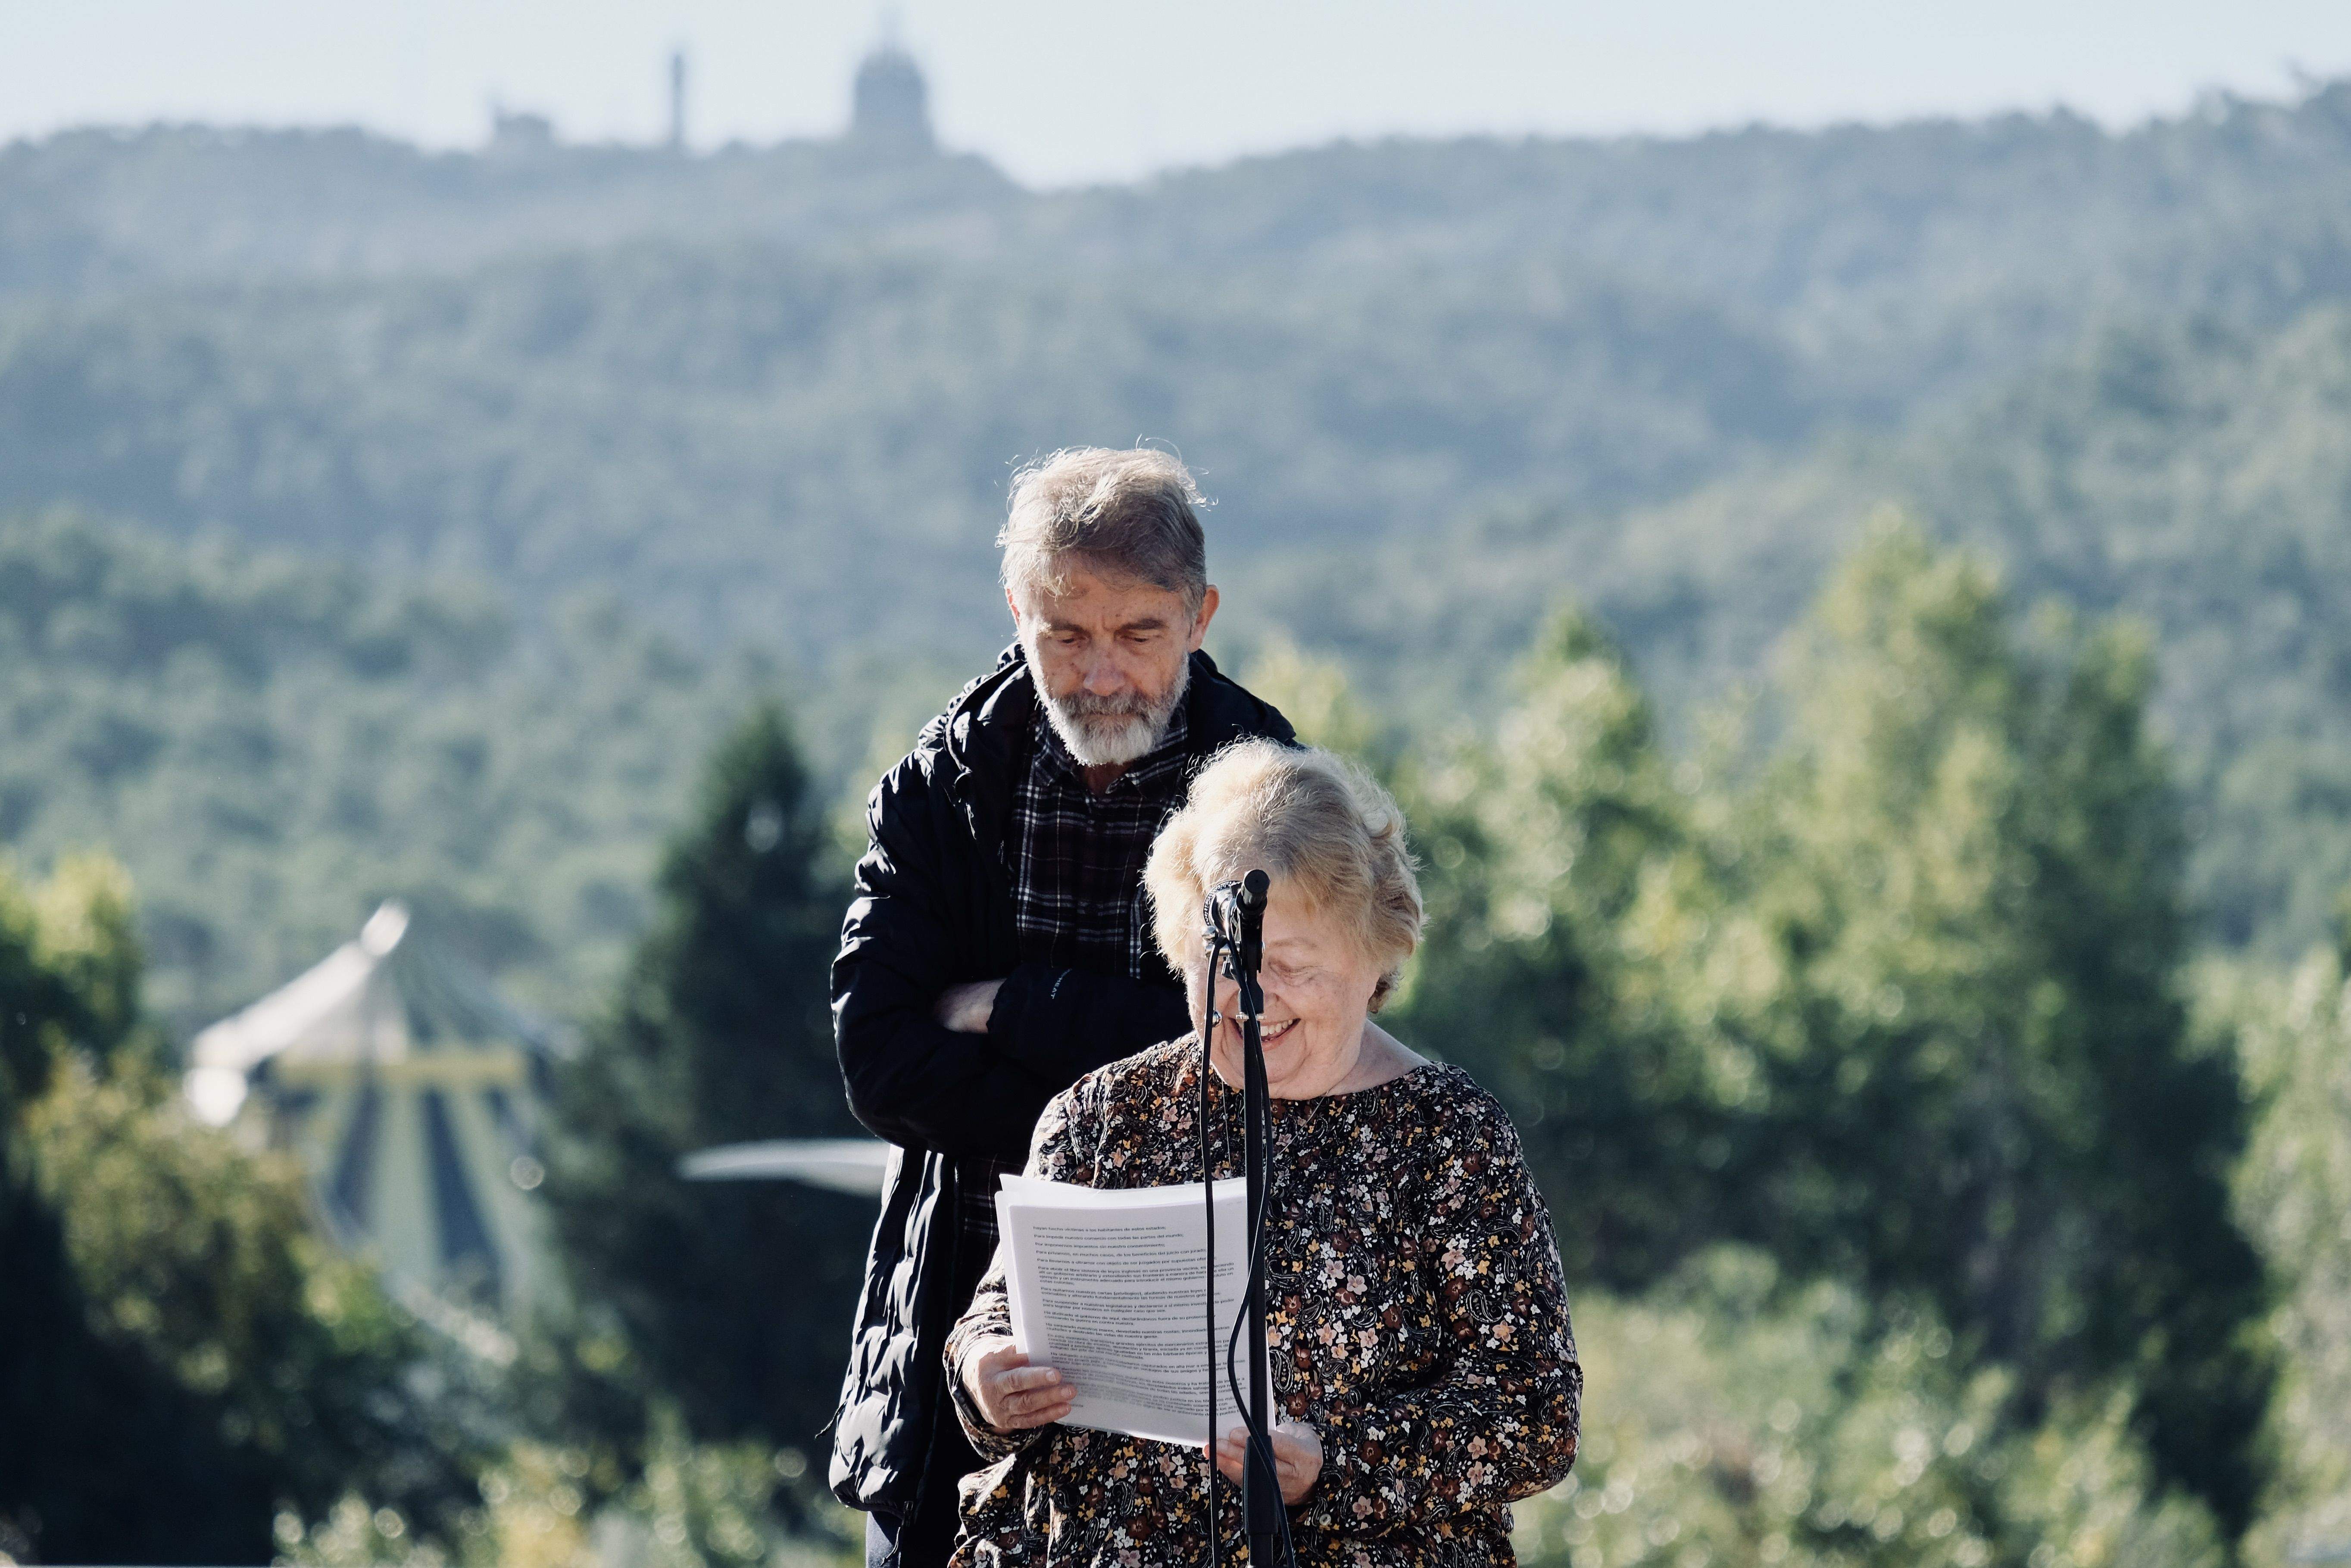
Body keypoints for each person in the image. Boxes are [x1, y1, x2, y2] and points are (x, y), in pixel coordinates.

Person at [945, 742, 1582, 1567]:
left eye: (1290, 966)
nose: (1254, 997)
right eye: (1226, 961)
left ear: (1372, 959)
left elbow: (1535, 1415)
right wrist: (988, 1377)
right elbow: (998, 1316)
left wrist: (1338, 1462)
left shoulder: (1447, 1135)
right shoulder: (1101, 1114)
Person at [830, 448, 1297, 1567]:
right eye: (1065, 634)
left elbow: (1274, 1052)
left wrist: (1013, 1007)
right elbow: (882, 1063)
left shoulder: (1274, 799)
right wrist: (1144, 1071)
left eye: (1139, 635)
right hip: (964, 1332)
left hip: (1205, 1344)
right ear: (1017, 611)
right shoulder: (943, 785)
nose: (1099, 674)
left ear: (1200, 615)